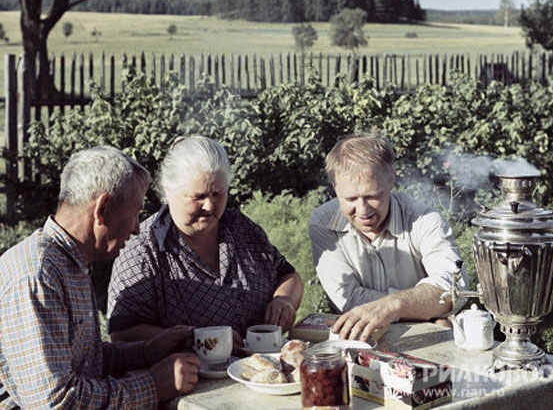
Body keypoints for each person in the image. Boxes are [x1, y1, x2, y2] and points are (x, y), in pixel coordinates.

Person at [0, 146, 201, 408]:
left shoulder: (70, 262)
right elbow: (55, 402)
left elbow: (86, 360)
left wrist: (148, 351)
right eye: (135, 212)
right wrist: (153, 385)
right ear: (102, 208)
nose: (138, 228)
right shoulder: (38, 276)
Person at [107, 135, 303, 347]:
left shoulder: (241, 229)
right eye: (198, 196)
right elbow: (122, 332)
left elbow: (288, 276)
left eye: (218, 194)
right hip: (190, 376)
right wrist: (194, 338)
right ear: (168, 191)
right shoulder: (143, 249)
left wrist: (283, 301)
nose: (209, 206)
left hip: (261, 370)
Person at [309, 134, 466, 341]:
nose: (363, 210)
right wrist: (424, 307)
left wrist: (393, 305)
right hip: (360, 342)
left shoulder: (425, 220)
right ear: (334, 185)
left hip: (423, 340)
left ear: (392, 178)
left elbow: (454, 290)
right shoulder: (322, 223)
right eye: (350, 199)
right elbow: (347, 300)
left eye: (373, 196)